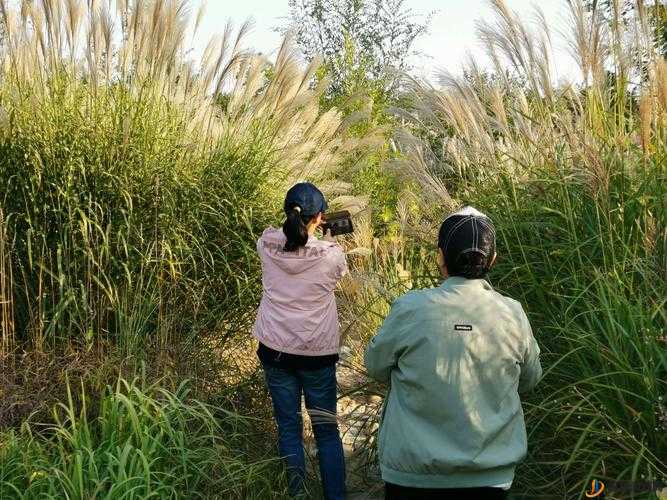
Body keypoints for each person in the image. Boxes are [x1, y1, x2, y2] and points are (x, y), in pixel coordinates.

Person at [364, 206, 542, 500]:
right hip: (490, 476)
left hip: (413, 476)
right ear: (493, 260)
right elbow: (530, 379)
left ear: (440, 258)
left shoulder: (410, 308)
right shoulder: (513, 313)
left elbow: (375, 365)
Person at [254, 182, 348, 500]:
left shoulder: (265, 244)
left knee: (289, 428)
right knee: (326, 432)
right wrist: (329, 237)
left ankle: (297, 494)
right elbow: (332, 266)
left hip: (275, 352)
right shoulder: (331, 255)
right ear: (320, 217)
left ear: (286, 212)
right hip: (316, 355)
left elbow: (285, 240)